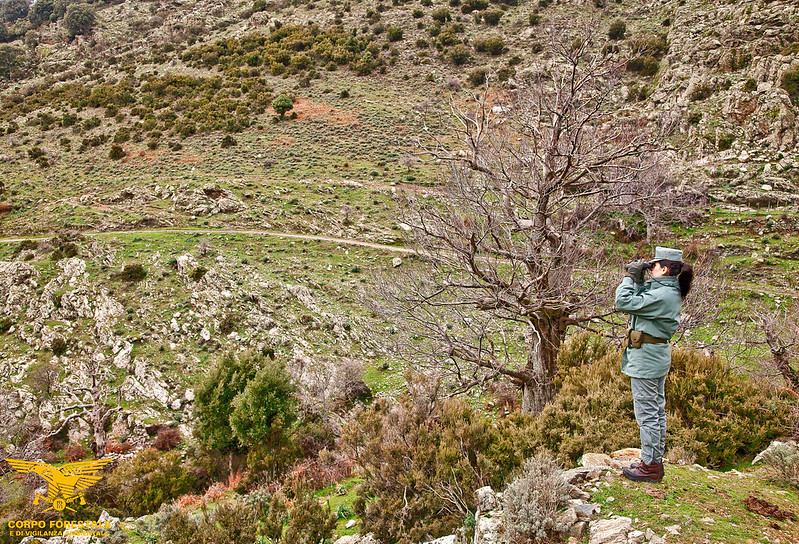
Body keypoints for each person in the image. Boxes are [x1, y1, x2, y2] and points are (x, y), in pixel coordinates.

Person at [614, 246, 693, 483]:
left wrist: (629, 277)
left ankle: (650, 466)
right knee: (656, 412)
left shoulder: (664, 295)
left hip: (647, 359)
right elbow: (640, 302)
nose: (651, 268)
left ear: (665, 269)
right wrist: (639, 279)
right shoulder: (665, 291)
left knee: (648, 415)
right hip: (653, 356)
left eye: (654, 265)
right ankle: (652, 461)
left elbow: (624, 302)